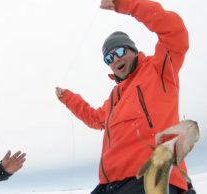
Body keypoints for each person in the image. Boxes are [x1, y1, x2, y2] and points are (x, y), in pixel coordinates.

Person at [56, 0, 194, 193]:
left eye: (120, 51)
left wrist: (127, 4)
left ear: (134, 50)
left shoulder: (159, 69)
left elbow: (175, 31)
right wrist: (68, 98)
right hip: (110, 183)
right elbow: (95, 119)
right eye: (109, 58)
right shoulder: (114, 97)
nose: (116, 59)